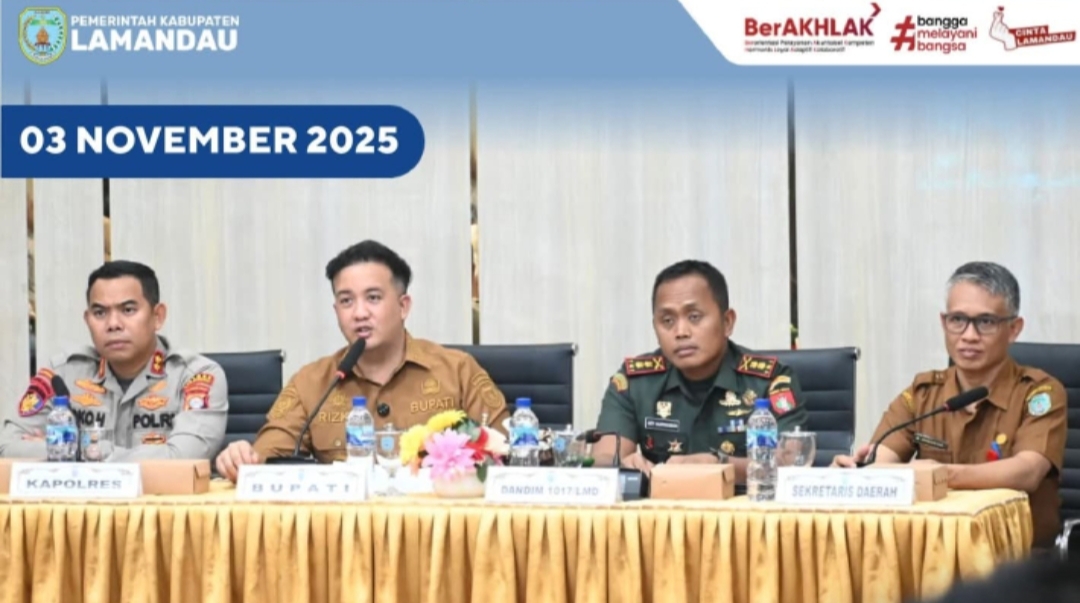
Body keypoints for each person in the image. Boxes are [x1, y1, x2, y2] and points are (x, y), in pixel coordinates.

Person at [215, 240, 509, 481]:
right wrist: (241, 458)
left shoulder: (458, 371)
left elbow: (508, 453)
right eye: (346, 301)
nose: (359, 313)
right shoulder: (311, 383)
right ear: (336, 311)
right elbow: (265, 459)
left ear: (403, 306)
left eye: (373, 298)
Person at [833, 262, 1067, 548]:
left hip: (1015, 558)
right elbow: (882, 459)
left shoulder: (1039, 393)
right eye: (958, 320)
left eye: (986, 322)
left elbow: (1026, 472)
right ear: (944, 323)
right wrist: (858, 474)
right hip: (931, 551)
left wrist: (939, 474)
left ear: (1014, 329)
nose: (969, 335)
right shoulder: (922, 395)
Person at [592, 260, 808, 483]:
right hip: (663, 503)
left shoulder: (771, 381)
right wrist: (621, 465)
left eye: (694, 317)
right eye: (667, 320)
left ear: (727, 322)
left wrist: (720, 465)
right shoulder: (634, 382)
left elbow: (791, 462)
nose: (681, 332)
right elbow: (603, 458)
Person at [0, 261, 229, 461]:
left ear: (157, 317)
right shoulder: (63, 375)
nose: (113, 324)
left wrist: (75, 449)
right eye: (100, 313)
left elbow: (181, 459)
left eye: (128, 310)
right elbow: (6, 447)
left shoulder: (195, 376)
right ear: (87, 320)